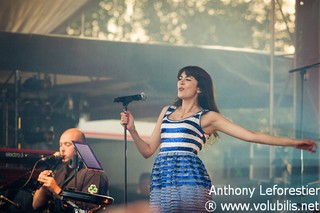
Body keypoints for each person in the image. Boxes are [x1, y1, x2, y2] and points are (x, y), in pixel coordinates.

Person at [120, 66, 317, 212]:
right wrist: (133, 130)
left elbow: (252, 135)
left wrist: (293, 142)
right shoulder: (166, 111)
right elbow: (147, 151)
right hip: (162, 178)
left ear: (199, 89)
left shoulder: (208, 117)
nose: (181, 82)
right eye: (180, 78)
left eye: (188, 79)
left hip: (189, 179)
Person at [32, 128, 109, 212]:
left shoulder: (93, 173)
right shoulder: (60, 172)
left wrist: (57, 190)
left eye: (67, 144)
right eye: (60, 145)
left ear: (80, 147)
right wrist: (44, 185)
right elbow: (36, 205)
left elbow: (88, 209)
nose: (62, 149)